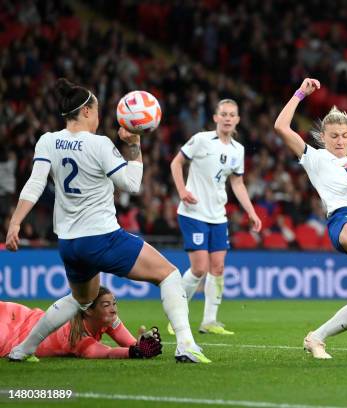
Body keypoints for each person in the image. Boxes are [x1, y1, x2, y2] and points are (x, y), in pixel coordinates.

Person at [6, 78, 209, 363]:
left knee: (81, 300)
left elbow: (35, 183)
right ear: (87, 111)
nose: (100, 117)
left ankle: (22, 350)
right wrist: (135, 147)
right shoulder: (100, 144)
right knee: (169, 274)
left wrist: (15, 222)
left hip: (69, 243)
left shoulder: (47, 141)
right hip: (102, 237)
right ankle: (186, 345)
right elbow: (132, 184)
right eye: (98, 110)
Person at [274, 78, 347, 359]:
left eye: (344, 135)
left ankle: (316, 338)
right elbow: (280, 127)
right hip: (344, 218)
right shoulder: (316, 158)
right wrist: (300, 93)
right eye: (334, 135)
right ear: (323, 136)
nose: (339, 141)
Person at [169, 99, 261, 336]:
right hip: (193, 212)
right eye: (224, 114)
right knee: (199, 268)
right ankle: (175, 314)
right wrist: (182, 191)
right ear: (216, 118)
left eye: (232, 114)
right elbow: (176, 163)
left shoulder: (237, 150)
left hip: (218, 216)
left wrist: (251, 211)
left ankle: (209, 321)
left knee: (217, 267)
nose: (228, 118)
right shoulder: (201, 140)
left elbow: (237, 183)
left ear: (238, 120)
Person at [0, 286, 162, 360]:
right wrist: (135, 352)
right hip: (9, 334)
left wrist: (142, 343)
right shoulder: (75, 336)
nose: (114, 310)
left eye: (114, 303)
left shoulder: (108, 318)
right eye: (106, 305)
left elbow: (132, 345)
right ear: (89, 310)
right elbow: (107, 353)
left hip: (19, 316)